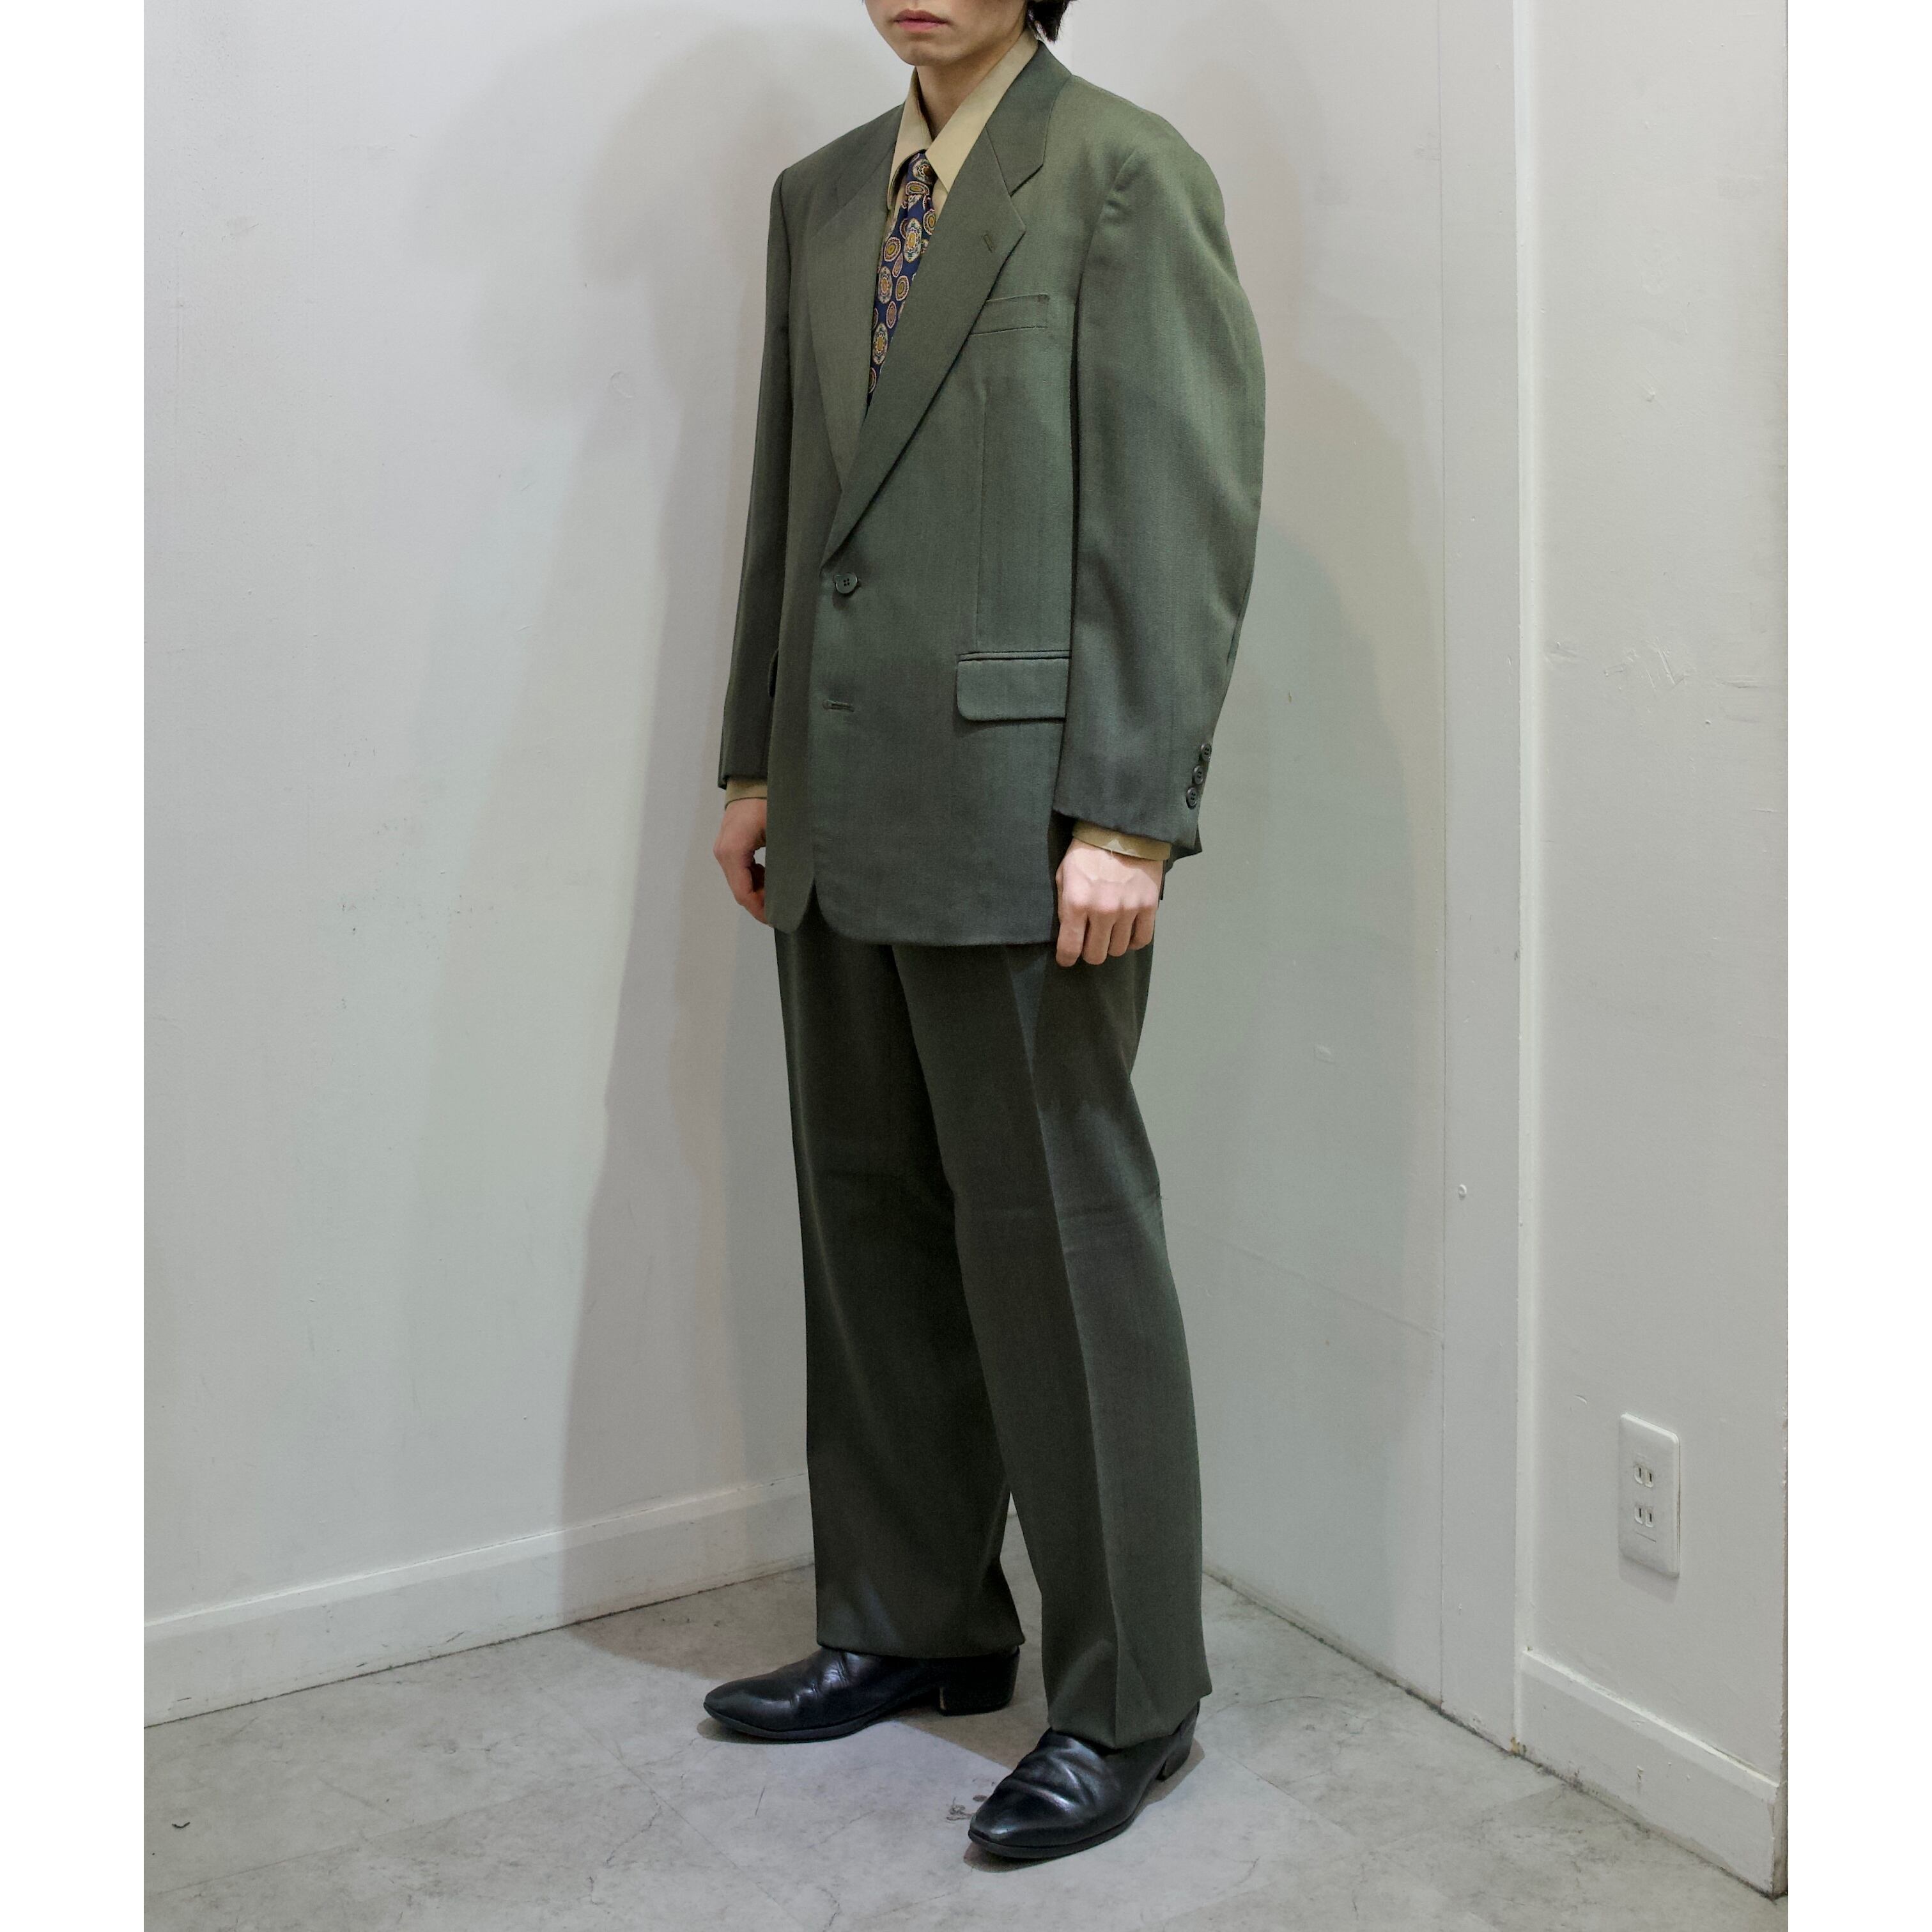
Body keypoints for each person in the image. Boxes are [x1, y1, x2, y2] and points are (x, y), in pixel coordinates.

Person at [706, 0, 1264, 1862]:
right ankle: (913, 1619)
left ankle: (1132, 1698)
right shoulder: (820, 196)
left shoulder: (1121, 176)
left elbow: (1176, 508)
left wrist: (1132, 810)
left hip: (1031, 817)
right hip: (837, 796)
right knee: (866, 1220)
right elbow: (797, 497)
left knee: (1062, 1249)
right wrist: (753, 755)